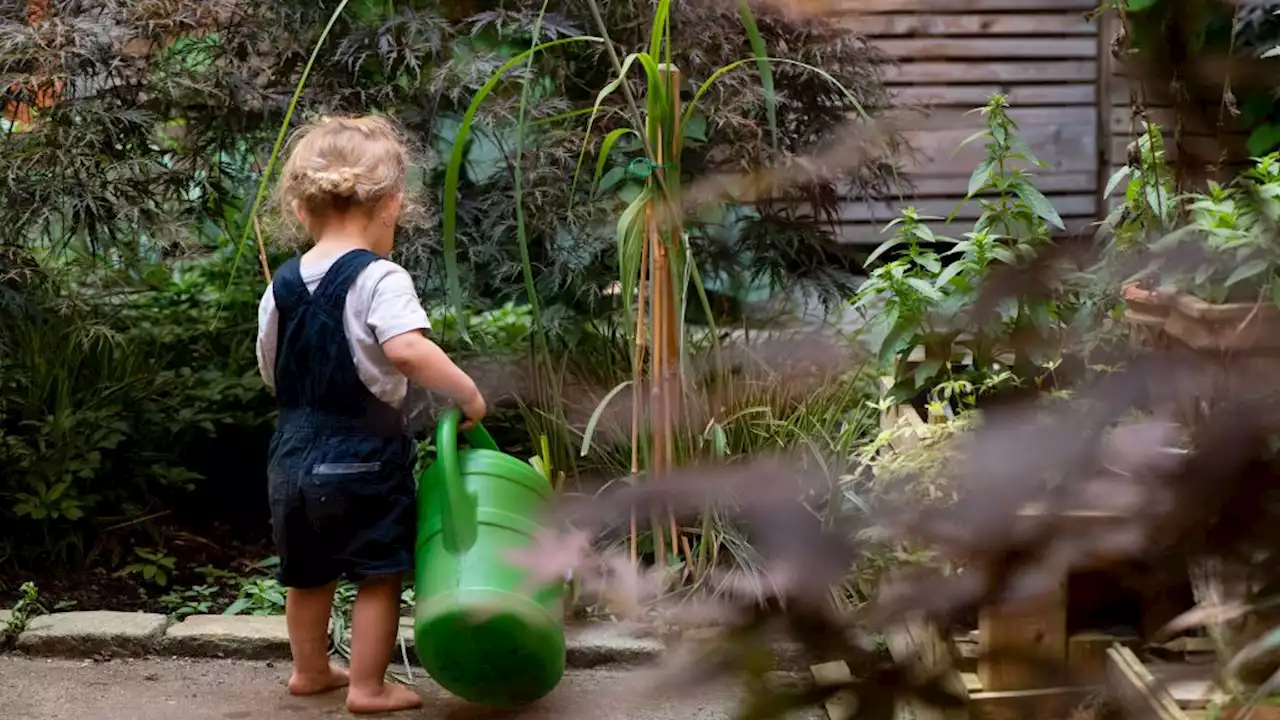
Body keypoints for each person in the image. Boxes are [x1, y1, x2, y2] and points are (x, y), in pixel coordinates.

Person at [255, 115, 486, 714]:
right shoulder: (380, 277)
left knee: (306, 573)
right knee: (377, 573)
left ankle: (310, 672)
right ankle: (368, 686)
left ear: (302, 209)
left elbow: (268, 365)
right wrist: (466, 394)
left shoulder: (281, 284)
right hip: (361, 455)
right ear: (391, 204)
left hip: (290, 453)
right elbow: (407, 349)